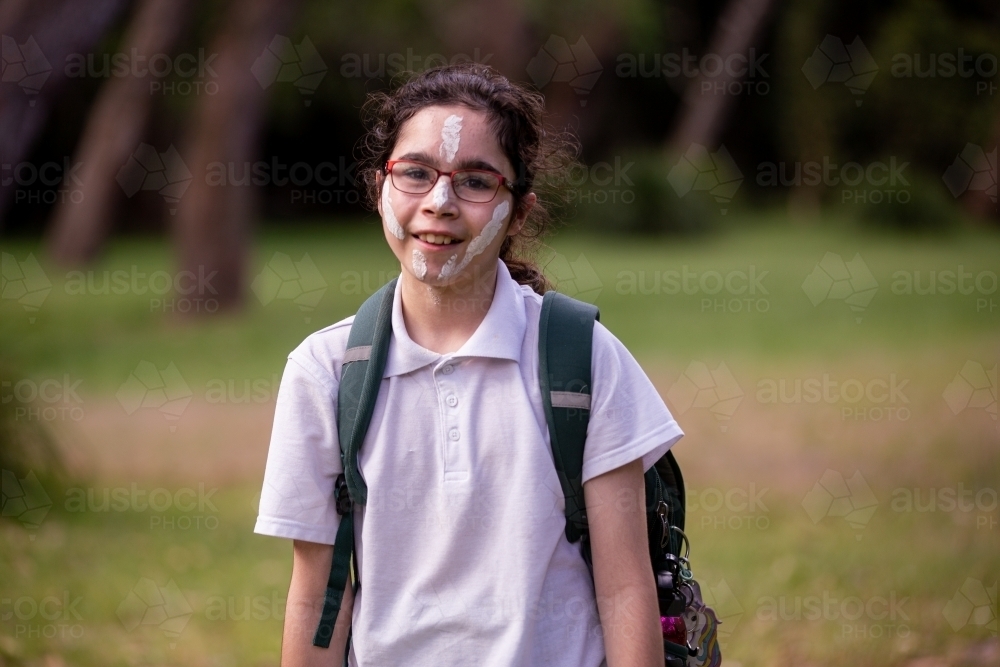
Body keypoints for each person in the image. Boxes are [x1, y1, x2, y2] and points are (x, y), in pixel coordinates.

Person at [254, 63, 684, 667]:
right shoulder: (323, 372)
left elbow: (625, 588)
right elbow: (317, 598)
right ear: (380, 186)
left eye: (476, 182)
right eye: (415, 173)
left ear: (520, 210)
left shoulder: (582, 358)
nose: (439, 202)